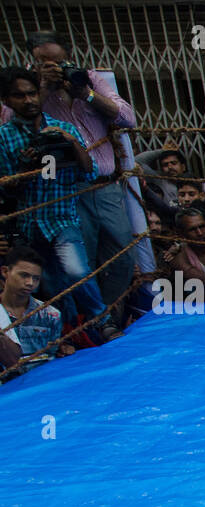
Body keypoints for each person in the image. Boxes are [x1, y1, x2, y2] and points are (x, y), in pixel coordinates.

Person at [0, 69, 108, 337]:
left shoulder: (65, 128)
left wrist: (71, 142)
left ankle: (103, 321)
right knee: (50, 283)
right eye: (19, 95)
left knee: (76, 270)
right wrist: (25, 167)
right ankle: (73, 333)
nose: (28, 100)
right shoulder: (4, 137)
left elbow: (89, 172)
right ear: (6, 101)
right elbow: (7, 188)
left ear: (39, 94)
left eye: (32, 93)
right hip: (29, 224)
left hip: (62, 218)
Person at [0, 243, 74, 367]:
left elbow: (55, 353)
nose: (30, 283)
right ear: (5, 272)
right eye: (24, 275)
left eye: (36, 278)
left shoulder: (51, 314)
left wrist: (64, 349)